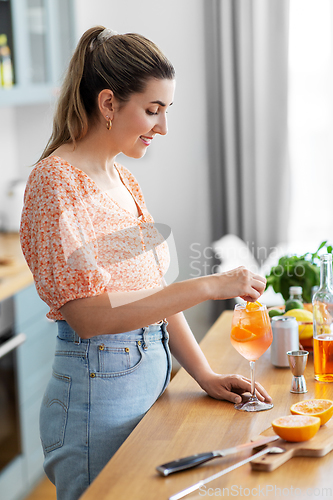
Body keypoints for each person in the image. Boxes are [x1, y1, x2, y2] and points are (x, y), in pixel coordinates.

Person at [20, 26, 271, 500]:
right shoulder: (56, 183)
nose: (163, 127)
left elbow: (152, 291)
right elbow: (89, 317)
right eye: (153, 111)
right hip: (97, 393)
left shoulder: (122, 180)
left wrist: (205, 375)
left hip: (147, 378)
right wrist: (206, 286)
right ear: (109, 103)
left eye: (166, 111)